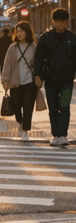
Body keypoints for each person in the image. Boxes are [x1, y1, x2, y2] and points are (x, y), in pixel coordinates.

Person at [34, 8, 76, 146]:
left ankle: (63, 135)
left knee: (64, 106)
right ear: (53, 21)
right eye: (57, 21)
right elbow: (38, 58)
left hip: (67, 80)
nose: (60, 24)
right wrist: (38, 75)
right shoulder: (46, 38)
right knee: (53, 108)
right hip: (50, 79)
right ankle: (55, 135)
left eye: (63, 21)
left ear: (66, 21)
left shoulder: (72, 37)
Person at [1, 21, 39, 142]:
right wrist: (5, 80)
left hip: (30, 82)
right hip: (15, 82)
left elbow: (38, 64)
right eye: (17, 31)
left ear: (27, 32)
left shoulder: (34, 47)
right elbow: (7, 65)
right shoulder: (13, 47)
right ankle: (20, 122)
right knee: (16, 106)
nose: (18, 34)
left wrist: (39, 77)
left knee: (28, 107)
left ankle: (25, 131)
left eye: (21, 31)